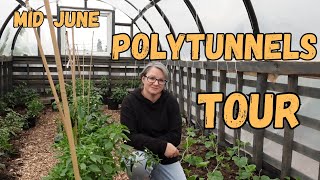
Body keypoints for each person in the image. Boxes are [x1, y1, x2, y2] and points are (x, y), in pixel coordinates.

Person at [120, 61, 186, 180]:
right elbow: (129, 136)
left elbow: (175, 135)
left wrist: (155, 145)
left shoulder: (170, 102)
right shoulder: (130, 102)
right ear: (143, 78)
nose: (156, 83)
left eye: (161, 80)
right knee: (136, 165)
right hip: (141, 154)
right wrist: (162, 146)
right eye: (152, 78)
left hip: (165, 158)